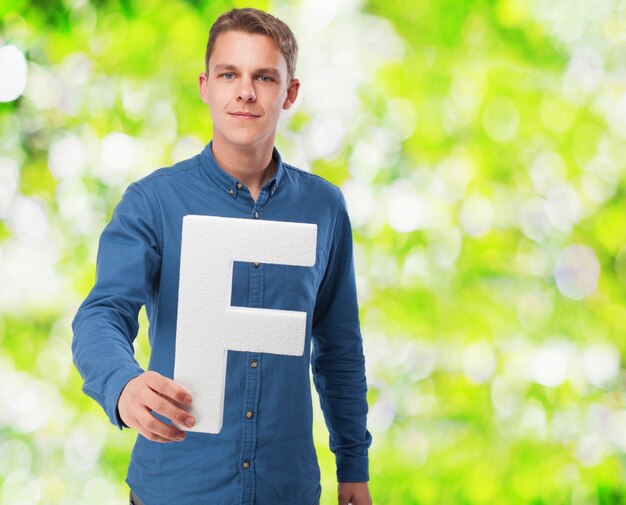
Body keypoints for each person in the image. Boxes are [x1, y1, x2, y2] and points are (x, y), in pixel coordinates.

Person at [72, 7, 372, 505]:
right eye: (229, 74)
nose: (245, 91)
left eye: (264, 77)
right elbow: (103, 312)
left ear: (290, 93)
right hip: (174, 489)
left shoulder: (324, 208)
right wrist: (122, 385)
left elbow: (339, 348)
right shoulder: (154, 202)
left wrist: (354, 470)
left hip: (286, 490)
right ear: (206, 86)